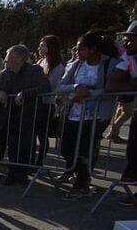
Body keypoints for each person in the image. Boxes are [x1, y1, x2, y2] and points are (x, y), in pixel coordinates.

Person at [57, 30, 119, 199]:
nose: (77, 53)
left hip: (97, 115)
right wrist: (76, 88)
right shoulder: (76, 64)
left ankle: (82, 183)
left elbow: (111, 88)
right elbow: (61, 86)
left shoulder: (110, 64)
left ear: (92, 49)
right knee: (65, 147)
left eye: (81, 49)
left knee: (87, 149)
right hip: (74, 113)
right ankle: (80, 174)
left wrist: (89, 93)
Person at [0, 45, 51, 185]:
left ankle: (23, 174)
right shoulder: (5, 73)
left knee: (25, 146)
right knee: (12, 145)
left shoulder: (34, 71)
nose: (5, 61)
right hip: (11, 115)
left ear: (17, 58)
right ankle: (13, 173)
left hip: (29, 116)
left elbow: (46, 87)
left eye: (8, 57)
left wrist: (25, 93)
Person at [106, 21, 137, 205]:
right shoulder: (128, 59)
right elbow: (111, 84)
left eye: (131, 38)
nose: (126, 42)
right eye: (125, 38)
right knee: (133, 151)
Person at [35, 35, 65, 165]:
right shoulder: (40, 62)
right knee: (34, 134)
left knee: (43, 135)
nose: (39, 48)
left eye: (43, 45)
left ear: (50, 47)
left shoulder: (58, 66)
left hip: (47, 104)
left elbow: (50, 85)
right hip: (36, 103)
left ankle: (40, 163)